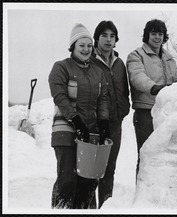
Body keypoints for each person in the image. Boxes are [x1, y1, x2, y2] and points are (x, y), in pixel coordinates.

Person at [48, 23, 110, 209]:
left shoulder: (97, 72)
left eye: (89, 45)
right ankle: (61, 209)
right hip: (66, 130)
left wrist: (104, 123)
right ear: (73, 46)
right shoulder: (61, 67)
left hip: (90, 132)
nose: (86, 49)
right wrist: (75, 121)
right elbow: (60, 96)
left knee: (88, 181)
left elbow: (103, 100)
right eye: (81, 45)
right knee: (67, 178)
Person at [126, 19, 177, 177]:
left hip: (166, 114)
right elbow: (137, 77)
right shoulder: (136, 55)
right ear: (146, 35)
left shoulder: (169, 59)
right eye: (153, 33)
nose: (157, 37)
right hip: (146, 113)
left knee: (165, 157)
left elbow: (175, 82)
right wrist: (154, 88)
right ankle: (143, 196)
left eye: (160, 34)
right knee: (146, 156)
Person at [90, 20, 130, 208]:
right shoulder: (88, 61)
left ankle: (105, 207)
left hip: (115, 122)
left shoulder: (119, 63)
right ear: (96, 38)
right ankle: (87, 209)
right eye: (104, 35)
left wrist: (124, 109)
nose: (108, 39)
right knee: (91, 170)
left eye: (112, 36)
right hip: (94, 123)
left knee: (109, 168)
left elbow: (124, 90)